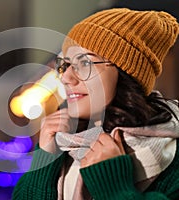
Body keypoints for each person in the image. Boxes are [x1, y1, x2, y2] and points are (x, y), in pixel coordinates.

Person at [12, 8, 179, 200]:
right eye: (65, 65)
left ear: (126, 74)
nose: (66, 77)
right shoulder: (65, 141)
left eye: (85, 63)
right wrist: (46, 158)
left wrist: (115, 189)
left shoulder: (173, 161)